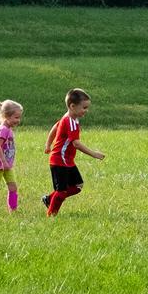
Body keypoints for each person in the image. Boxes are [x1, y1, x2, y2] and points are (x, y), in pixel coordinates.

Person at [43, 87, 105, 217]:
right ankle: (51, 215)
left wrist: (48, 144)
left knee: (78, 185)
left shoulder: (70, 118)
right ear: (72, 106)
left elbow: (55, 127)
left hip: (67, 161)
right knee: (61, 191)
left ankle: (49, 199)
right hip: (59, 160)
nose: (86, 111)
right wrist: (94, 154)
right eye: (84, 107)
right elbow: (76, 143)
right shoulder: (70, 121)